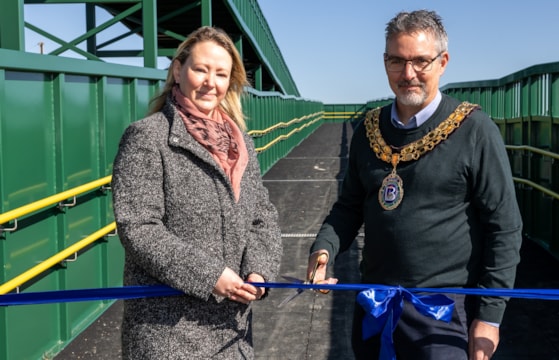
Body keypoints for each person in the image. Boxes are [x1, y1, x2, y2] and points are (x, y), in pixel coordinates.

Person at [307, 10, 522, 360]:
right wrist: (324, 249)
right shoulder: (369, 129)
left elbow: (505, 227)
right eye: (397, 61)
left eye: (420, 61)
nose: (408, 74)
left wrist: (489, 318)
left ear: (443, 62)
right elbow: (348, 207)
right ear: (384, 61)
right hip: (376, 306)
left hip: (442, 314)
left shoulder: (475, 130)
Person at [111, 26, 282, 360]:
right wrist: (211, 276)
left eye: (221, 74)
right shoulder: (147, 137)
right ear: (178, 70)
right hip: (169, 336)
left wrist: (259, 272)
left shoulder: (241, 143)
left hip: (232, 334)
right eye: (201, 69)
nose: (210, 82)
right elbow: (138, 227)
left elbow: (262, 216)